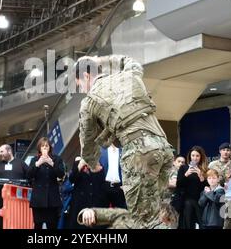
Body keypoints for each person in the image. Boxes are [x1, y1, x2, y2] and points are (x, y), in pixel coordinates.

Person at [75, 55, 174, 229]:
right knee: (156, 213)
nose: (82, 89)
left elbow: (87, 142)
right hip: (164, 148)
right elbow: (131, 61)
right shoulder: (129, 75)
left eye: (79, 84)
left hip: (139, 154)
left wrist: (93, 164)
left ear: (86, 77)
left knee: (143, 220)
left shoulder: (88, 101)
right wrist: (103, 60)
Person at [27, 137, 65, 229]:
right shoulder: (34, 159)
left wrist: (52, 163)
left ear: (50, 147)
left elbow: (61, 174)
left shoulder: (57, 159)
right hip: (38, 199)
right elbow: (29, 175)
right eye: (42, 146)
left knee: (52, 225)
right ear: (39, 148)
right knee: (38, 225)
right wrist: (37, 164)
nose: (44, 148)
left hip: (52, 198)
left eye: (46, 146)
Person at [0, 144, 28, 229]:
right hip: (1, 200)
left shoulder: (20, 163)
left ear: (9, 151)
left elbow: (29, 175)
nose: (0, 154)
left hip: (18, 201)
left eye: (2, 151)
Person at [65, 156, 106, 229]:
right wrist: (81, 164)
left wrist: (97, 168)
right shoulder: (78, 162)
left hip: (95, 204)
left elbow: (102, 181)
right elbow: (72, 178)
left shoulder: (98, 162)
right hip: (79, 204)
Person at [176, 146, 208, 229]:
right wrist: (186, 175)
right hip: (187, 199)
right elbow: (179, 184)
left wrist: (201, 177)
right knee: (188, 206)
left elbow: (207, 187)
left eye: (197, 156)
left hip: (200, 199)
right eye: (193, 155)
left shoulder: (204, 169)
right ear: (190, 156)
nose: (195, 158)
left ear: (201, 157)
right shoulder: (183, 168)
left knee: (202, 222)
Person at [99, 144, 127, 209]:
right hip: (104, 186)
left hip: (119, 187)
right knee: (102, 213)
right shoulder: (101, 150)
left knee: (121, 214)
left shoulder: (123, 149)